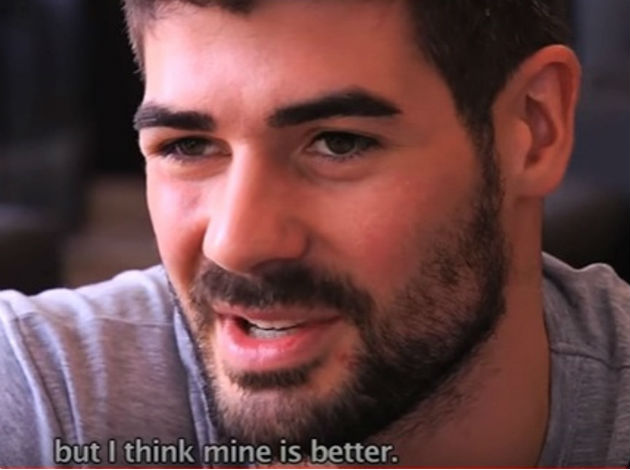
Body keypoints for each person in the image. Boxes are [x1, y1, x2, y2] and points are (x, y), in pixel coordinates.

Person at [1, 0, 628, 467]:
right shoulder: (43, 397)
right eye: (188, 146)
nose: (235, 244)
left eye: (339, 143)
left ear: (534, 128)